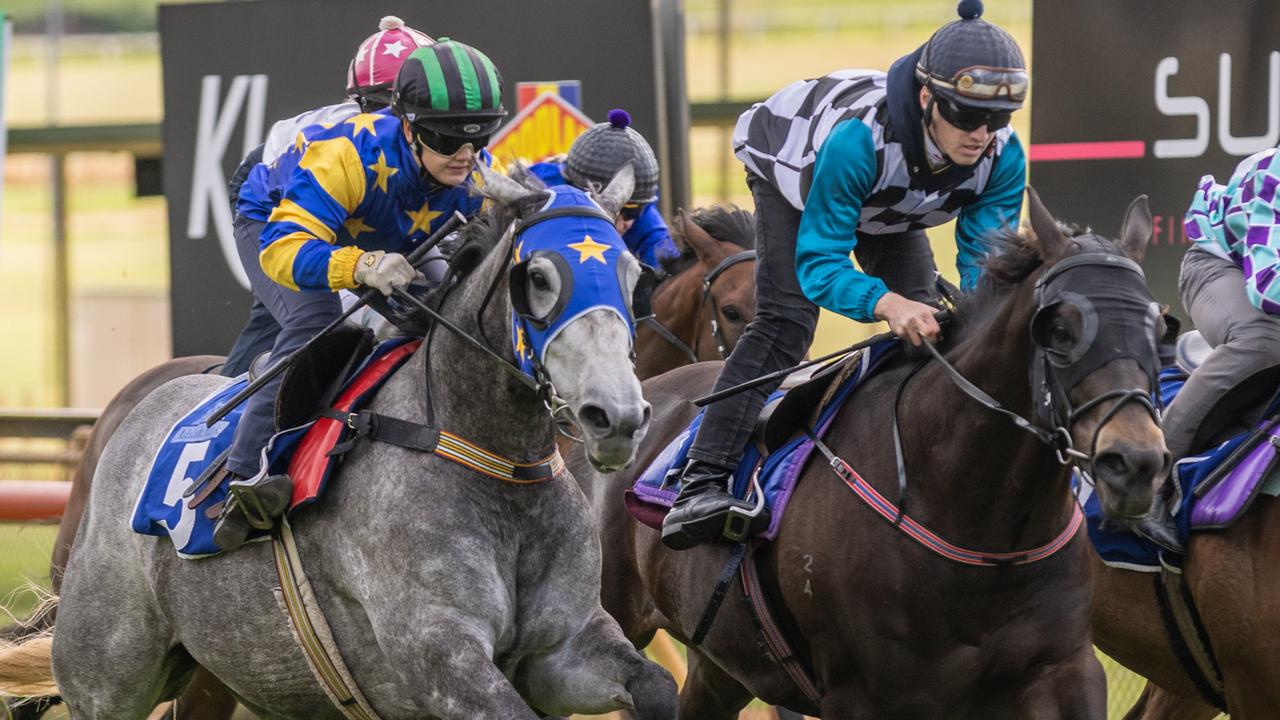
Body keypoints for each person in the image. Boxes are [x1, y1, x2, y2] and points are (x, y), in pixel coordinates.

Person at [662, 0, 1028, 550]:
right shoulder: (858, 143)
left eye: (997, 119)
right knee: (786, 322)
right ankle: (700, 481)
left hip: (893, 199)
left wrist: (973, 321)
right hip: (800, 169)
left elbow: (984, 268)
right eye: (967, 115)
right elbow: (819, 265)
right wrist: (886, 303)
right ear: (928, 98)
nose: (982, 134)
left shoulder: (1002, 156)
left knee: (934, 327)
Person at [212, 39, 508, 551]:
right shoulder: (346, 154)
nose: (466, 155)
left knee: (446, 307)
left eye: (479, 137)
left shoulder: (474, 166)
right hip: (277, 220)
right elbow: (283, 253)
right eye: (447, 140)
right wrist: (362, 265)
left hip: (381, 218)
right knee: (316, 320)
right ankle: (246, 476)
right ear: (411, 128)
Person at [222, 16, 436, 376]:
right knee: (311, 318)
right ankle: (231, 400)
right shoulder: (346, 141)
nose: (393, 119)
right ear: (359, 101)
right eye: (383, 105)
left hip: (344, 196)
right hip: (270, 198)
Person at [1144, 148, 1280, 548]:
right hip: (1221, 268)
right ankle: (1148, 480)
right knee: (1267, 341)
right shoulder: (1271, 173)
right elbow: (1268, 287)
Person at [529, 109, 679, 268]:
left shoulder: (645, 216)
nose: (620, 224)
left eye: (631, 212)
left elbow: (668, 270)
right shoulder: (542, 187)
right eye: (607, 207)